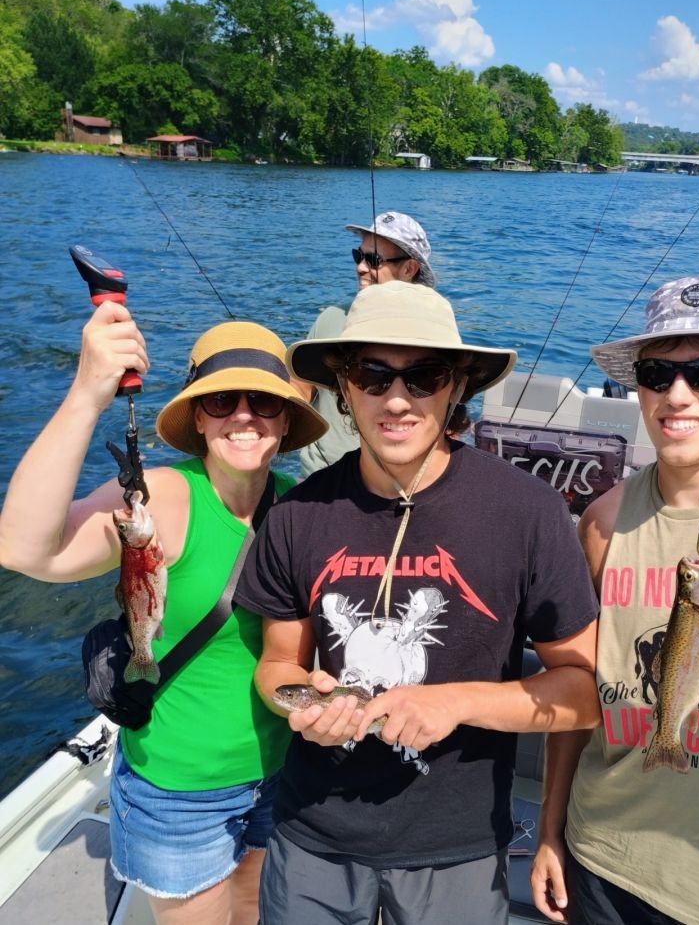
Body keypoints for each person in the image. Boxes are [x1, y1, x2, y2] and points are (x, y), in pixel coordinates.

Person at [233, 280, 601, 925]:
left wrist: (457, 702)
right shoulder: (295, 515)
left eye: (423, 376)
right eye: (373, 377)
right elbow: (276, 668)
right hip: (311, 832)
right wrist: (305, 703)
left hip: (456, 846)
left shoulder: (528, 511)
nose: (397, 400)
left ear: (456, 386)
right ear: (343, 389)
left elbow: (586, 693)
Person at [0, 303, 327, 925]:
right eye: (221, 400)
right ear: (197, 418)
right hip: (180, 791)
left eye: (264, 402)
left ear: (287, 420)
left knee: (256, 907)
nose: (243, 417)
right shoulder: (163, 500)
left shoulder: (303, 506)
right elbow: (22, 550)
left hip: (285, 768)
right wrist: (87, 393)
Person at [530, 275, 699, 925]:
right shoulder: (600, 522)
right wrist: (549, 832)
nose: (678, 395)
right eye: (658, 373)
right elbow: (580, 692)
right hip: (601, 857)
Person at [299, 210, 436, 478]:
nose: (360, 267)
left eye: (373, 260)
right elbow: (300, 388)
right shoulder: (331, 319)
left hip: (392, 483)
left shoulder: (432, 336)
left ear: (410, 269)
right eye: (358, 256)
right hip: (317, 478)